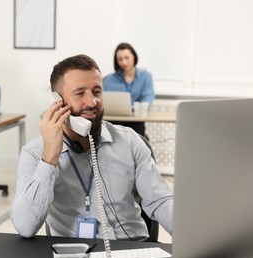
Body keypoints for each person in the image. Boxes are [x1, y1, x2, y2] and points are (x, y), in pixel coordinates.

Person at [10, 54, 173, 241]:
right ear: (58, 102)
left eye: (97, 91)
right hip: (75, 253)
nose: (92, 101)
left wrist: (195, 236)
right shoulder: (34, 153)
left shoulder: (129, 141)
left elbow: (160, 201)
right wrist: (49, 157)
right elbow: (24, 226)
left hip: (131, 249)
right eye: (80, 93)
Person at [103, 42, 155, 138]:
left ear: (134, 57)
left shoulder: (146, 77)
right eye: (120, 59)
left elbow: (148, 98)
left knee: (137, 139)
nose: (124, 62)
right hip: (114, 122)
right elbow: (102, 101)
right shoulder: (108, 80)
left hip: (136, 121)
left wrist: (139, 107)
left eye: (127, 58)